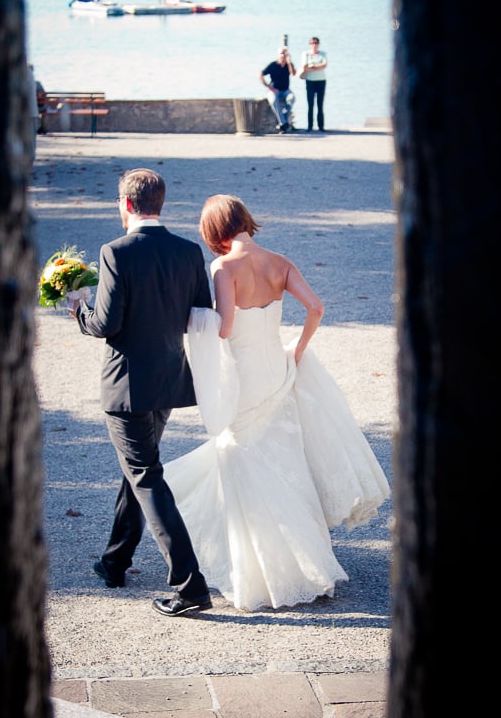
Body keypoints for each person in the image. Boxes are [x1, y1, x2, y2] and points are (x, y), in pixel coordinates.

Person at [162, 195, 390, 611]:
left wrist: (194, 319)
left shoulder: (223, 267)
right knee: (287, 466)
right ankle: (311, 563)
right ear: (245, 220)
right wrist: (297, 351)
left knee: (244, 463)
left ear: (214, 231)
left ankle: (264, 571)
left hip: (245, 380)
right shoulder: (280, 262)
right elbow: (316, 308)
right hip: (278, 373)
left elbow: (226, 329)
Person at [67, 168, 214, 618]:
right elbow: (200, 315)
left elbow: (106, 324)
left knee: (146, 476)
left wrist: (78, 308)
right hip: (168, 380)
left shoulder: (116, 252)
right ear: (159, 203)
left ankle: (190, 586)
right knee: (140, 469)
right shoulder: (189, 252)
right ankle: (115, 561)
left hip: (127, 383)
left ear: (126, 204)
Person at [259, 45, 296, 132]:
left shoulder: (288, 65)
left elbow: (293, 73)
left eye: (284, 53)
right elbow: (260, 75)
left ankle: (282, 123)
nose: (283, 55)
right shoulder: (273, 65)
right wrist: (269, 87)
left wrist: (289, 62)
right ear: (278, 55)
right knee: (273, 101)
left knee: (292, 98)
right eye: (281, 53)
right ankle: (283, 123)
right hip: (274, 89)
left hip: (286, 90)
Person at [299, 35, 328, 131]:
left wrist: (313, 67)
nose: (314, 45)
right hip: (310, 81)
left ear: (318, 44)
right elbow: (304, 67)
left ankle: (321, 126)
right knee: (310, 105)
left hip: (321, 81)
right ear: (310, 44)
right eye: (312, 43)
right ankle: (310, 126)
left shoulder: (322, 54)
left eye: (316, 43)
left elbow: (324, 65)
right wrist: (316, 67)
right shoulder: (306, 54)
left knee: (320, 104)